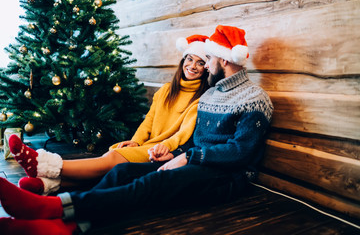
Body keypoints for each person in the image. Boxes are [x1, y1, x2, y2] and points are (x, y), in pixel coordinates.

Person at [0, 25, 274, 235]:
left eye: (209, 59)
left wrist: (187, 157)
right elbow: (197, 142)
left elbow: (240, 151)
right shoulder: (213, 94)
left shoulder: (253, 98)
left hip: (229, 178)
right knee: (122, 171)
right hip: (196, 164)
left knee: (153, 182)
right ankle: (68, 225)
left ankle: (55, 208)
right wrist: (175, 154)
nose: (204, 65)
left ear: (224, 60)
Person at [8, 34, 210, 195]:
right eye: (189, 59)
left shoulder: (200, 98)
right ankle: (48, 185)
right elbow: (149, 120)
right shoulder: (167, 89)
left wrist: (162, 147)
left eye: (200, 63)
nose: (192, 66)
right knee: (109, 159)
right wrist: (136, 141)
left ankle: (44, 164)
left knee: (112, 157)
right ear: (183, 59)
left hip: (161, 149)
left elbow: (182, 134)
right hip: (146, 145)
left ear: (206, 69)